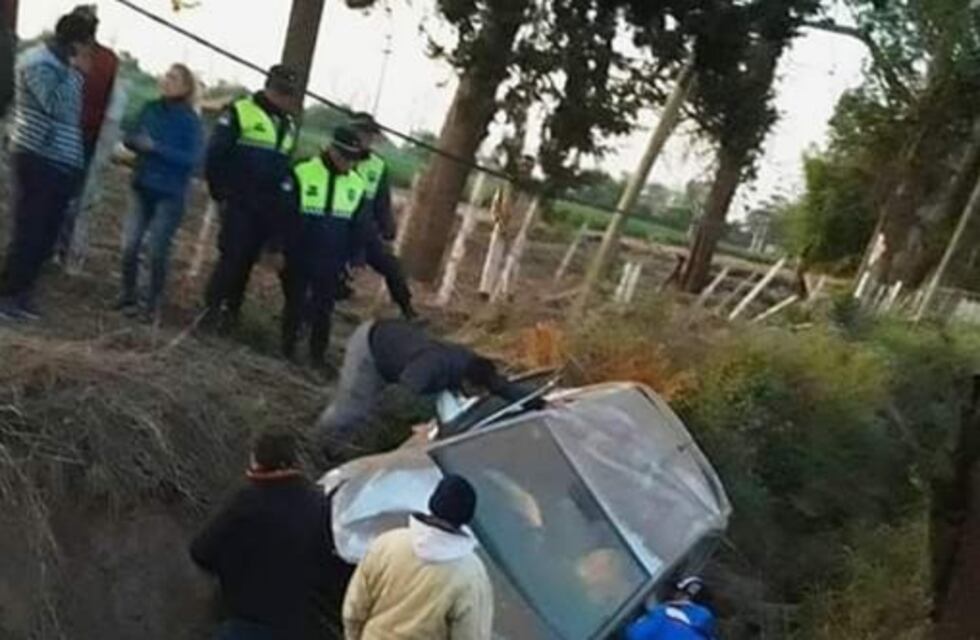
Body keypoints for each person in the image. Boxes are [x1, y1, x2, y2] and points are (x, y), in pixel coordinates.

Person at [189, 430, 341, 640]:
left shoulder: (245, 502)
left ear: (256, 460)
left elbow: (201, 551)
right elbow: (330, 563)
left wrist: (233, 569)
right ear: (294, 460)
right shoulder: (319, 504)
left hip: (246, 620)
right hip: (299, 624)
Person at [315, 317, 538, 458]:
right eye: (476, 392)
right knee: (354, 407)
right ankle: (320, 442)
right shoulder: (429, 367)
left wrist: (538, 403)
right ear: (467, 382)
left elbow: (502, 386)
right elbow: (393, 400)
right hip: (371, 347)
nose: (477, 395)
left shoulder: (474, 367)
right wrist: (401, 431)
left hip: (398, 346)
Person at [0, 13, 90, 321]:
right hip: (37, 155)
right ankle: (8, 295)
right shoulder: (38, 62)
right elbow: (55, 106)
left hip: (60, 159)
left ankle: (23, 293)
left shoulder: (62, 66)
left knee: (46, 235)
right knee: (30, 230)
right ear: (77, 42)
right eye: (87, 43)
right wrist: (75, 74)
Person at [203, 64, 299, 331]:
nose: (283, 97)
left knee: (246, 261)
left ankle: (231, 312)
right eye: (280, 91)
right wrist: (220, 193)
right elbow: (216, 155)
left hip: (268, 205)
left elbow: (284, 163)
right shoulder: (240, 111)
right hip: (239, 200)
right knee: (231, 257)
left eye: (287, 93)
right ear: (268, 87)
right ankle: (211, 311)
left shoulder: (288, 124)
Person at [343, 474, 493, 640]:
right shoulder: (471, 574)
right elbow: (471, 635)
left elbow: (353, 610)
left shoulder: (386, 544)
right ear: (467, 516)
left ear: (433, 502)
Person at [116, 63, 203, 321]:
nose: (166, 81)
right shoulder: (150, 108)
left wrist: (156, 148)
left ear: (186, 87)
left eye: (173, 78)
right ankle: (127, 294)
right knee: (129, 246)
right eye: (166, 76)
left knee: (156, 250)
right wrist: (134, 142)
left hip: (169, 192)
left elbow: (192, 159)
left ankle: (150, 304)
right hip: (142, 183)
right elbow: (131, 134)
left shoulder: (190, 121)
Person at [279, 127, 367, 368]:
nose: (350, 164)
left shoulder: (357, 184)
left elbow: (360, 224)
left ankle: (317, 355)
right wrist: (277, 247)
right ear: (332, 151)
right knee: (295, 302)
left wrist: (356, 257)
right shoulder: (303, 171)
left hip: (333, 256)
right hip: (299, 251)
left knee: (324, 308)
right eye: (346, 158)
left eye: (354, 160)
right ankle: (288, 349)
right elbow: (282, 213)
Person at [55, 4, 119, 262]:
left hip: (86, 135)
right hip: (64, 132)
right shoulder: (62, 53)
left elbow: (110, 102)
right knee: (61, 193)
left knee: (77, 196)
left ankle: (65, 248)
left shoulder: (106, 60)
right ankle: (56, 246)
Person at [347, 112, 417, 320]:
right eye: (361, 133)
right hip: (338, 226)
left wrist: (388, 229)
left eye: (369, 135)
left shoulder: (378, 166)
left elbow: (382, 202)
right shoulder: (336, 158)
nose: (365, 139)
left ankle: (407, 309)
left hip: (366, 230)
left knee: (392, 266)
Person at [624, 576, 717, 640]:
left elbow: (633, 635)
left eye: (677, 591)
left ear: (685, 597)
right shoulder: (706, 634)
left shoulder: (664, 616)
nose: (673, 594)